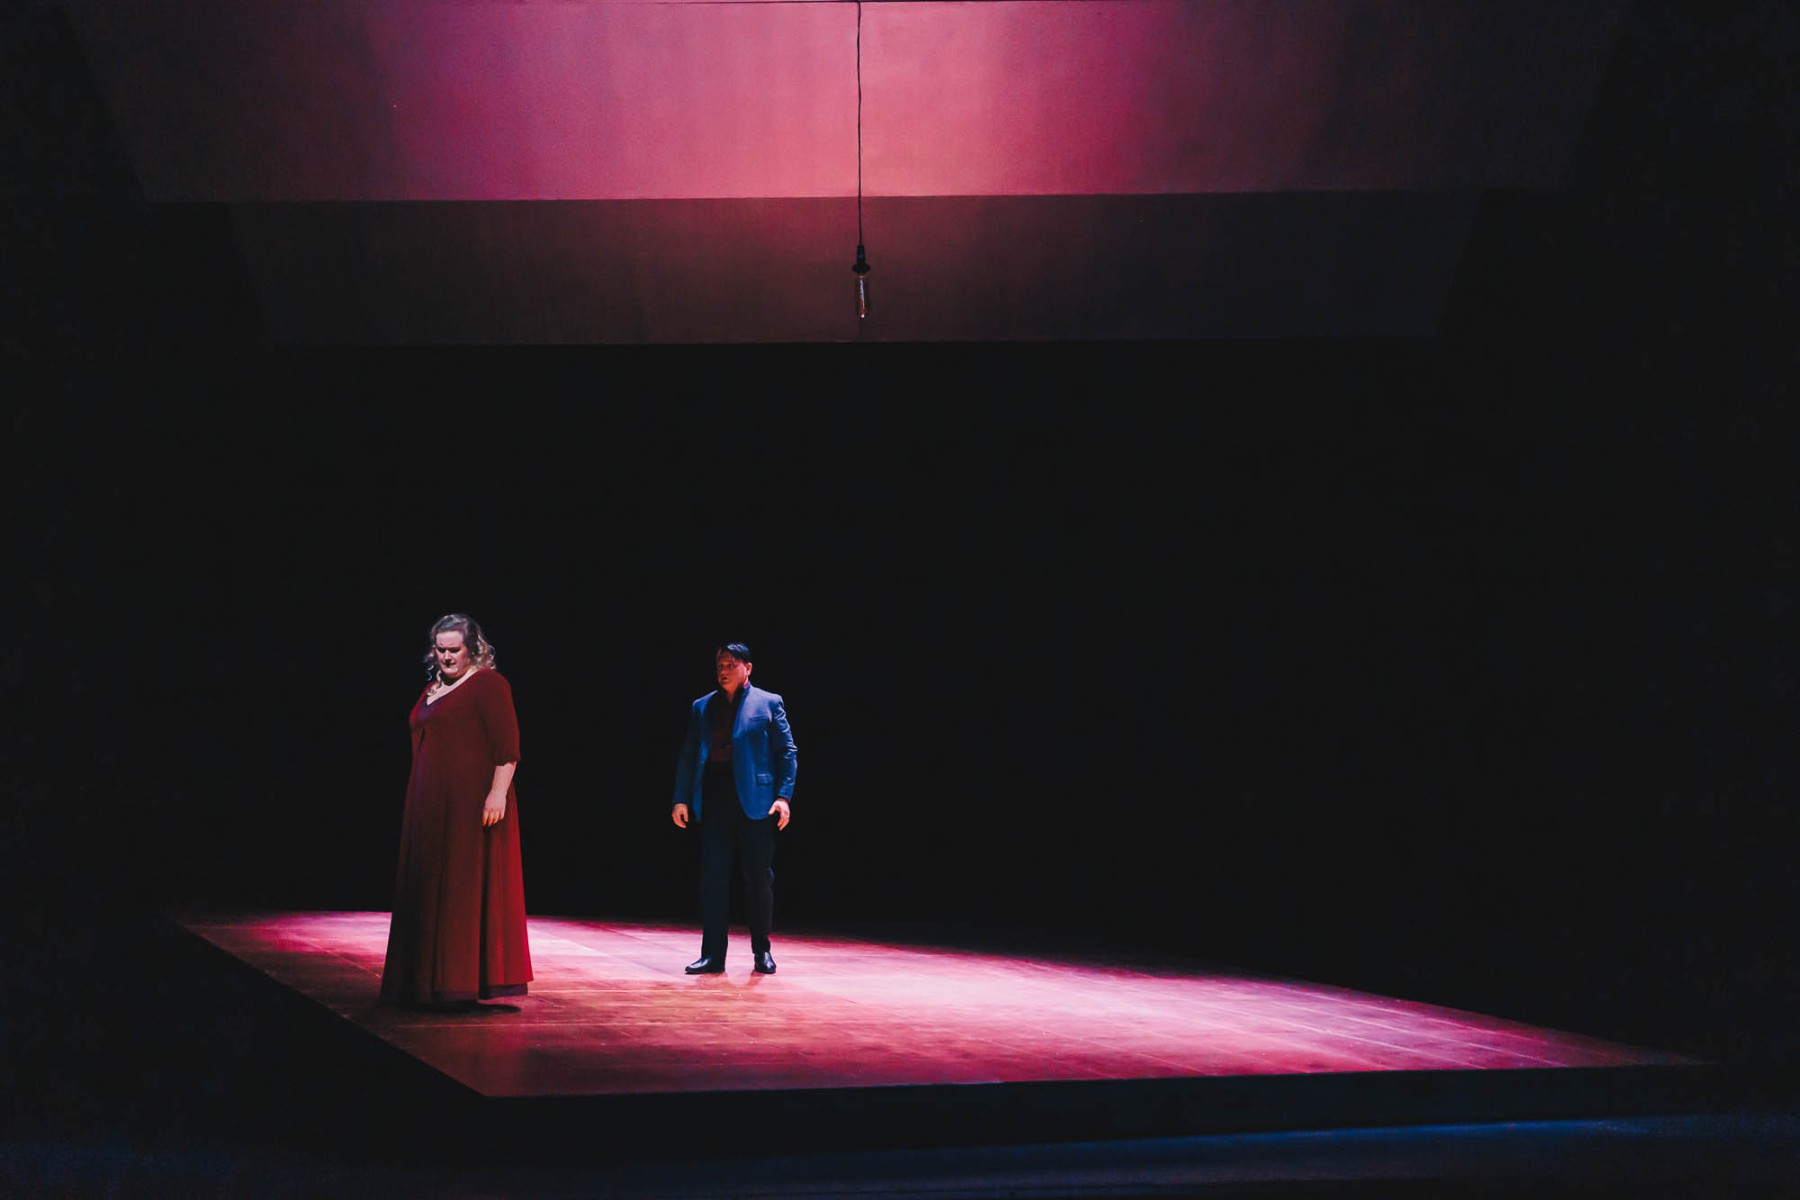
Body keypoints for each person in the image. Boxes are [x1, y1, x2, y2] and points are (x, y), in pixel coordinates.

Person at [380, 613, 532, 1007]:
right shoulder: (433, 688)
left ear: (472, 649)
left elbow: (508, 747)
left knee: (460, 890)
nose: (447, 657)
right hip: (429, 805)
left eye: (455, 650)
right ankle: (422, 979)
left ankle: (457, 982)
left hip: (469, 806)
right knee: (428, 887)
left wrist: (497, 794)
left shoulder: (489, 685)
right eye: (441, 650)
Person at [670, 643, 797, 975]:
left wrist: (783, 797)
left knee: (758, 877)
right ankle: (713, 955)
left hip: (756, 801)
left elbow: (787, 752)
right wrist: (681, 798)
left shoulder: (769, 702)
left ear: (747, 668)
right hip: (715, 797)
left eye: (730, 664)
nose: (723, 670)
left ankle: (762, 951)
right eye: (719, 666)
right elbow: (688, 754)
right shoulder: (702, 706)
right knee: (714, 878)